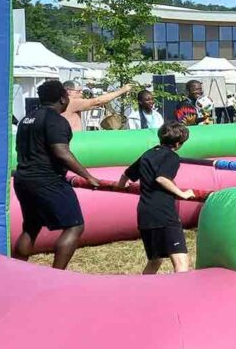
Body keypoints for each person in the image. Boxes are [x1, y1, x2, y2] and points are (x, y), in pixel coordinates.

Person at [12, 80, 100, 270]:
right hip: (47, 180)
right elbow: (61, 152)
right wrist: (88, 176)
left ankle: (15, 269)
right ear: (63, 98)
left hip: (23, 180)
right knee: (75, 226)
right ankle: (57, 274)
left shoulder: (27, 119)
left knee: (31, 226)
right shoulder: (55, 121)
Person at [116, 122, 194, 274]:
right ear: (178, 144)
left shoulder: (148, 154)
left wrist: (121, 186)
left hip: (145, 213)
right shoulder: (172, 157)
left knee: (155, 260)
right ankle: (182, 296)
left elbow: (126, 174)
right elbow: (162, 179)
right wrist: (182, 194)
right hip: (163, 213)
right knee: (181, 262)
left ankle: (143, 292)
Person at [62, 80, 133, 132]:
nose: (81, 94)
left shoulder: (62, 101)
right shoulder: (71, 102)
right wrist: (122, 91)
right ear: (68, 91)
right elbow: (97, 101)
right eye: (78, 91)